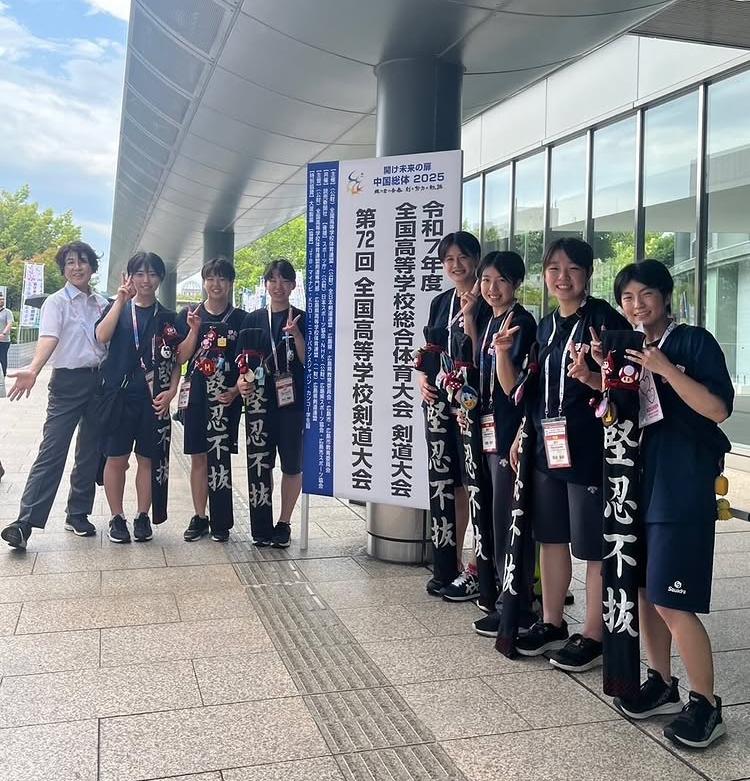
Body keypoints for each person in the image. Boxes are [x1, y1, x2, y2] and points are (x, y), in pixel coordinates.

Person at [610, 260, 732, 749]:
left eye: (646, 295)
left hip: (681, 485)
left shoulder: (693, 342)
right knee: (645, 590)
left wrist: (664, 370)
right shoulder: (628, 349)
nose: (637, 305)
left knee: (671, 599)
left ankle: (706, 704)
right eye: (627, 298)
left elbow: (717, 409)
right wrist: (595, 380)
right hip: (639, 482)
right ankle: (661, 682)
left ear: (665, 296)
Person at [512, 237, 629, 671]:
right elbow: (534, 388)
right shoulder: (545, 326)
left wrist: (594, 374)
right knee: (551, 536)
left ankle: (594, 634)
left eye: (573, 269)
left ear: (588, 274)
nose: (562, 278)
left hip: (589, 448)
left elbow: (628, 385)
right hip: (548, 445)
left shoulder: (604, 320)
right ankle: (552, 622)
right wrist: (523, 431)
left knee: (593, 546)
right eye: (554, 269)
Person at [1, 242, 107, 549]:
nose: (76, 267)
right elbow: (49, 337)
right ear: (63, 269)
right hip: (67, 383)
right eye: (70, 262)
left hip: (99, 382)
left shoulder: (102, 303)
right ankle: (24, 523)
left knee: (89, 451)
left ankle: (78, 513)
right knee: (52, 450)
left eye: (82, 261)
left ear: (92, 267)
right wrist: (33, 368)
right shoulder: (56, 302)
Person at [465, 251, 537, 636]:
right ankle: (500, 598)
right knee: (494, 515)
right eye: (486, 280)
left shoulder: (520, 322)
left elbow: (515, 389)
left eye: (502, 281)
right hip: (487, 429)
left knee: (508, 517)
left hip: (509, 432)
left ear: (516, 284)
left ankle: (518, 606)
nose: (492, 288)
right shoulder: (489, 318)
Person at [417, 231, 491, 598]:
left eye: (463, 257)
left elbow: (485, 357)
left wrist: (472, 317)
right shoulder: (441, 301)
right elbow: (431, 349)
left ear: (476, 259)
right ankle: (450, 564)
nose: (456, 265)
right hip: (438, 406)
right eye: (449, 259)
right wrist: (422, 379)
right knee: (449, 484)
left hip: (474, 408)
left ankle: (481, 568)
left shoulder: (489, 300)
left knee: (476, 483)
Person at [95, 252, 180, 543]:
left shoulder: (168, 317)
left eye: (152, 274)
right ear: (130, 277)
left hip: (153, 401)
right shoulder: (116, 308)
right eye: (139, 274)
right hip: (118, 397)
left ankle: (143, 515)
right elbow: (101, 336)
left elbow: (176, 361)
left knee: (147, 459)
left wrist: (171, 391)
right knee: (116, 458)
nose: (146, 280)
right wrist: (120, 300)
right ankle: (116, 517)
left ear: (160, 278)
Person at [176, 256, 245, 542]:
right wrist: (194, 329)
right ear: (204, 282)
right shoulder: (189, 314)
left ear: (230, 283)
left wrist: (236, 391)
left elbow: (247, 364)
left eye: (222, 279)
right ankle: (200, 516)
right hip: (196, 396)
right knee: (199, 457)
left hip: (226, 398)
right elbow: (181, 358)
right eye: (211, 278)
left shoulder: (241, 318)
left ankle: (221, 520)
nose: (216, 284)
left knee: (221, 456)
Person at [238, 259, 305, 548]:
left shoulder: (302, 318)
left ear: (293, 285)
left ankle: (284, 522)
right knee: (261, 463)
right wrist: (241, 382)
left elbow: (309, 361)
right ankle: (262, 525)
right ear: (265, 284)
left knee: (291, 465)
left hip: (292, 404)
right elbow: (241, 362)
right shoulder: (252, 319)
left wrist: (296, 334)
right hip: (259, 406)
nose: (278, 286)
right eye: (273, 280)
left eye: (284, 280)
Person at [0, 292, 13, 378]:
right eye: (0, 299)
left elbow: (9, 324)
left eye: (3, 299)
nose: (2, 301)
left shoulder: (7, 312)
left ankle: (3, 376)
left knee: (2, 358)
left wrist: (3, 333)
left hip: (4, 340)